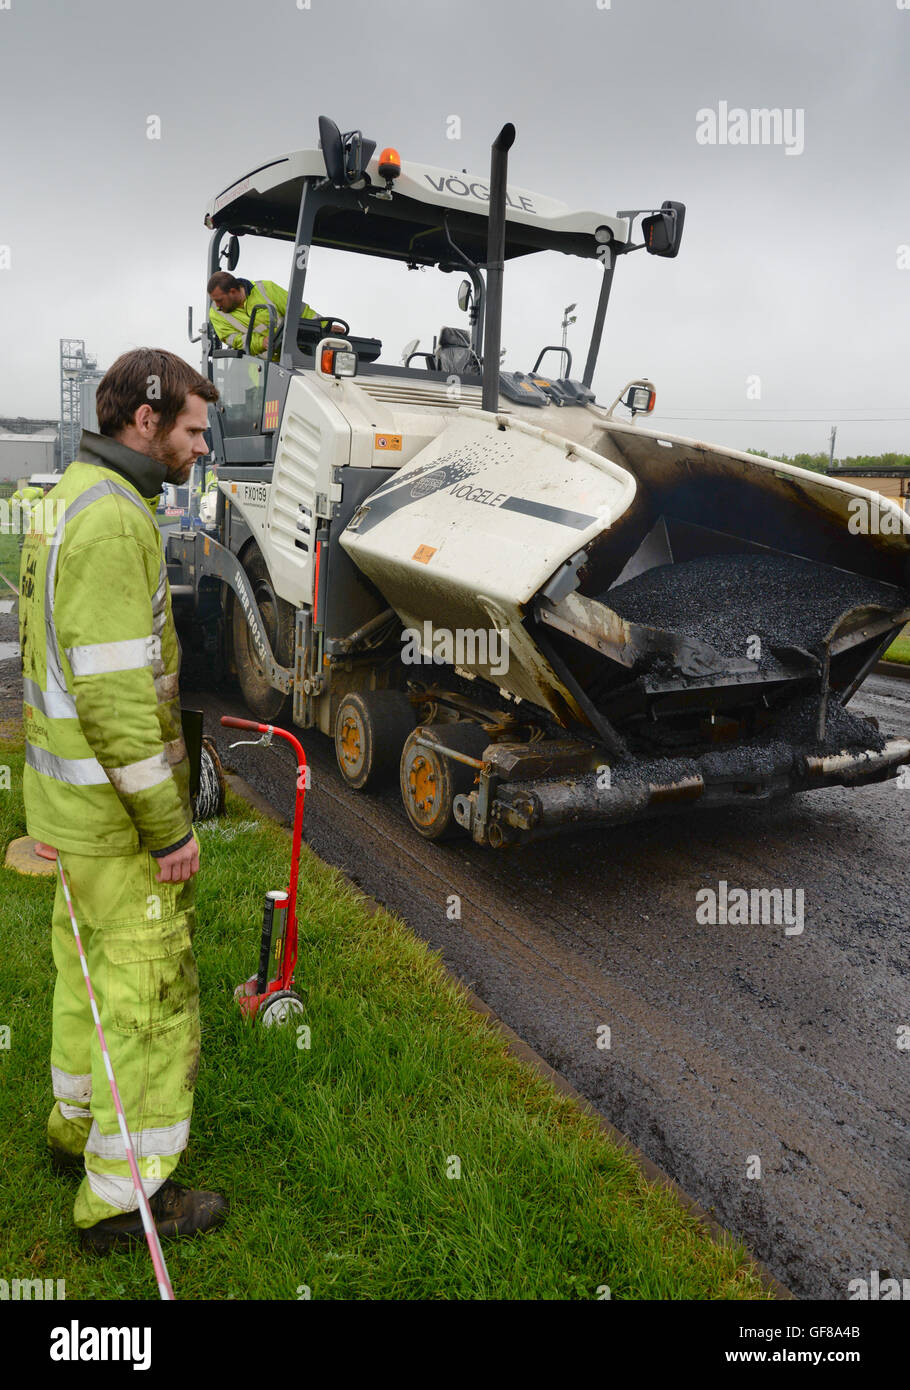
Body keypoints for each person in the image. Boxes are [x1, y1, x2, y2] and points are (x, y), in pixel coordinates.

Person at [19, 347, 228, 1252]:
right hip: (113, 822)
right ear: (144, 421)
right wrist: (170, 827)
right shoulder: (115, 524)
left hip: (64, 814)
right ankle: (125, 1200)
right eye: (191, 429)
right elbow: (112, 697)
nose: (203, 447)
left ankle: (76, 1132)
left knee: (87, 981)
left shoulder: (66, 498)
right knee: (147, 999)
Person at [207, 271, 328, 359]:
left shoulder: (266, 289)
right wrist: (261, 342)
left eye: (219, 300)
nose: (217, 305)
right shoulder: (216, 313)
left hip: (295, 358)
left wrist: (325, 326)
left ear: (233, 291)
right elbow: (234, 339)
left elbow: (299, 311)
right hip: (261, 372)